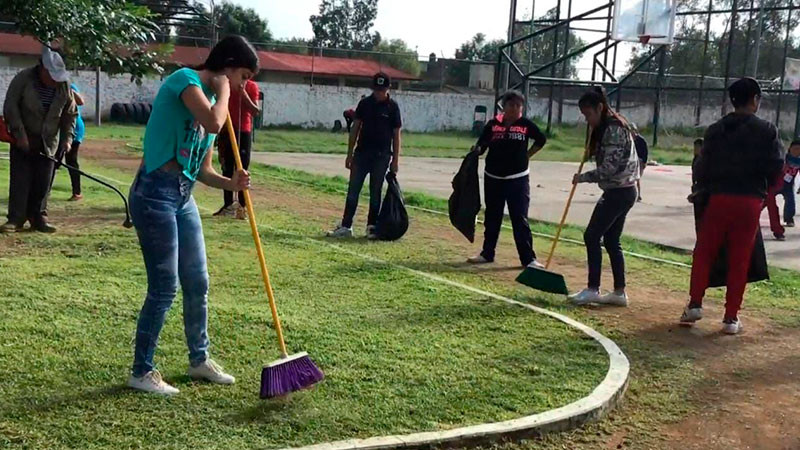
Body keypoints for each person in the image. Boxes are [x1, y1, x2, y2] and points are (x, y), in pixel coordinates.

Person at [126, 35, 256, 395]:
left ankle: (199, 360)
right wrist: (226, 91)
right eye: (242, 75)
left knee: (198, 281)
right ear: (227, 65)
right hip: (153, 194)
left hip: (183, 196)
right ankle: (141, 371)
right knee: (165, 287)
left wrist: (231, 181)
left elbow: (201, 169)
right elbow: (214, 123)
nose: (244, 84)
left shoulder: (214, 99)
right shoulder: (185, 80)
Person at [680, 77, 784, 335]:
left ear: (732, 100)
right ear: (755, 100)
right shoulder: (768, 130)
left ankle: (695, 304)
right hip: (749, 201)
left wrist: (702, 190)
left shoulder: (715, 130)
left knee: (704, 252)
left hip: (718, 198)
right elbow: (776, 168)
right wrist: (764, 195)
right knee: (740, 258)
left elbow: (702, 166)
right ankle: (730, 318)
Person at [569, 86, 640, 307]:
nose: (588, 120)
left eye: (589, 114)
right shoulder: (608, 127)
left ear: (600, 108)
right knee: (610, 239)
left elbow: (609, 168)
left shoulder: (614, 129)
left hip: (620, 191)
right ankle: (619, 292)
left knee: (592, 235)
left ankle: (593, 288)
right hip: (621, 189)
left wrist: (583, 177)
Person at [465, 89, 547, 268]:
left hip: (517, 179)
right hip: (493, 177)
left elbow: (541, 139)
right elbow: (482, 144)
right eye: (511, 105)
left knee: (519, 218)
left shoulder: (525, 125)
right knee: (492, 217)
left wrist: (527, 155)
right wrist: (477, 150)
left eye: (519, 105)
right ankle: (487, 253)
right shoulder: (493, 124)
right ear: (504, 106)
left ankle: (528, 259)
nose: (515, 108)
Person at [1, 46, 77, 233]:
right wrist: (20, 135)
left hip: (48, 141)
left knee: (44, 181)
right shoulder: (23, 79)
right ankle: (16, 218)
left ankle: (39, 217)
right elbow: (10, 107)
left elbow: (70, 114)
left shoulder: (63, 86)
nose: (54, 80)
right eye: (51, 75)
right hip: (24, 138)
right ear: (42, 68)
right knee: (21, 179)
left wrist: (67, 139)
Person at [328, 73, 402, 239]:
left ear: (388, 89)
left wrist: (395, 160)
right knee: (353, 191)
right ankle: (346, 226)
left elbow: (397, 134)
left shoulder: (393, 107)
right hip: (361, 154)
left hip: (382, 156)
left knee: (375, 192)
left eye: (382, 90)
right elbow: (355, 128)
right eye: (376, 90)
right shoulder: (365, 104)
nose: (379, 93)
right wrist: (349, 153)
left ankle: (372, 226)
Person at [213, 78, 260, 220]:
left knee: (242, 169)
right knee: (227, 169)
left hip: (243, 131)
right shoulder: (226, 85)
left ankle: (242, 207)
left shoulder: (252, 86)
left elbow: (255, 111)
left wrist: (243, 93)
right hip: (227, 130)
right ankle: (228, 205)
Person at [52, 82, 85, 201]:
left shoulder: (70, 86)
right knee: (53, 161)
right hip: (58, 130)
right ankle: (44, 191)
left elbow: (81, 101)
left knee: (71, 160)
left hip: (73, 128)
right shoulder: (49, 88)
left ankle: (77, 192)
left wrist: (69, 89)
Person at [633, 127, 648, 202]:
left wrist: (644, 162)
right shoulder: (629, 140)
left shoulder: (641, 140)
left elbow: (645, 152)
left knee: (638, 178)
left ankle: (638, 195)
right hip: (632, 161)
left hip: (640, 161)